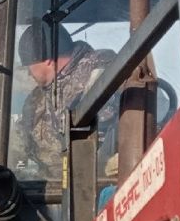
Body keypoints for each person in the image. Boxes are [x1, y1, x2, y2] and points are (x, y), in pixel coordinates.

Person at [17, 23, 115, 175]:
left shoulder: (99, 69)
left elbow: (101, 127)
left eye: (29, 66)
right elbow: (22, 145)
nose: (29, 74)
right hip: (49, 189)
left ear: (47, 59)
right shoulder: (35, 101)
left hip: (94, 182)